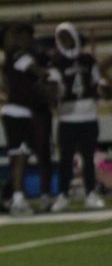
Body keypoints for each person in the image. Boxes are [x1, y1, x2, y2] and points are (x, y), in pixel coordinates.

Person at [47, 22, 107, 212]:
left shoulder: (87, 59)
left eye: (68, 35)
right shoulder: (55, 62)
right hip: (67, 117)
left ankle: (91, 193)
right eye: (61, 36)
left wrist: (103, 89)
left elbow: (98, 82)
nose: (65, 40)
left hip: (88, 113)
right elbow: (54, 87)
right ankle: (63, 194)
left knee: (88, 157)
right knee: (65, 158)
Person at [0, 22, 52, 215]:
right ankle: (18, 198)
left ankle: (11, 196)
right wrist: (46, 77)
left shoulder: (10, 59)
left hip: (19, 111)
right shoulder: (21, 56)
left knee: (19, 156)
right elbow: (40, 72)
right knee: (20, 156)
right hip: (18, 111)